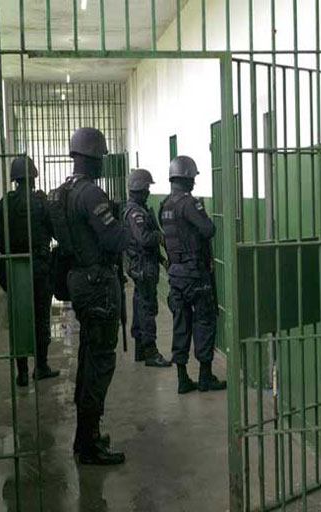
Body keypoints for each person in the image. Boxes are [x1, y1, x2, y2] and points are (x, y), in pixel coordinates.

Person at [51, 127, 127, 465]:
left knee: (88, 356)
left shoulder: (60, 193)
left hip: (77, 280)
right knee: (99, 362)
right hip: (97, 284)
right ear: (94, 157)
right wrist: (122, 224)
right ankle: (89, 444)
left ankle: (85, 437)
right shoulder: (91, 193)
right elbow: (114, 240)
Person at [0, 156, 60, 387]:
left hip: (16, 267)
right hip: (39, 266)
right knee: (41, 317)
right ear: (33, 177)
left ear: (14, 178)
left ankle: (21, 373)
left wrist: (13, 251)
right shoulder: (41, 203)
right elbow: (55, 231)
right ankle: (41, 367)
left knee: (19, 317)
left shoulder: (5, 203)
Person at [159, 155, 226, 394]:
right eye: (193, 178)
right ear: (186, 178)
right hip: (195, 275)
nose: (194, 183)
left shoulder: (164, 205)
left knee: (180, 324)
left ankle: (182, 378)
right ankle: (205, 377)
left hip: (175, 275)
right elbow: (209, 230)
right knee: (205, 322)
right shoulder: (189, 204)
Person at [123, 168, 171, 368]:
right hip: (143, 268)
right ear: (139, 189)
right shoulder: (136, 213)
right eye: (146, 188)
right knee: (148, 309)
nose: (149, 191)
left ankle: (141, 351)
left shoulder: (139, 209)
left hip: (143, 265)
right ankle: (150, 352)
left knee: (140, 307)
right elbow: (144, 240)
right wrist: (159, 237)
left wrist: (161, 259)